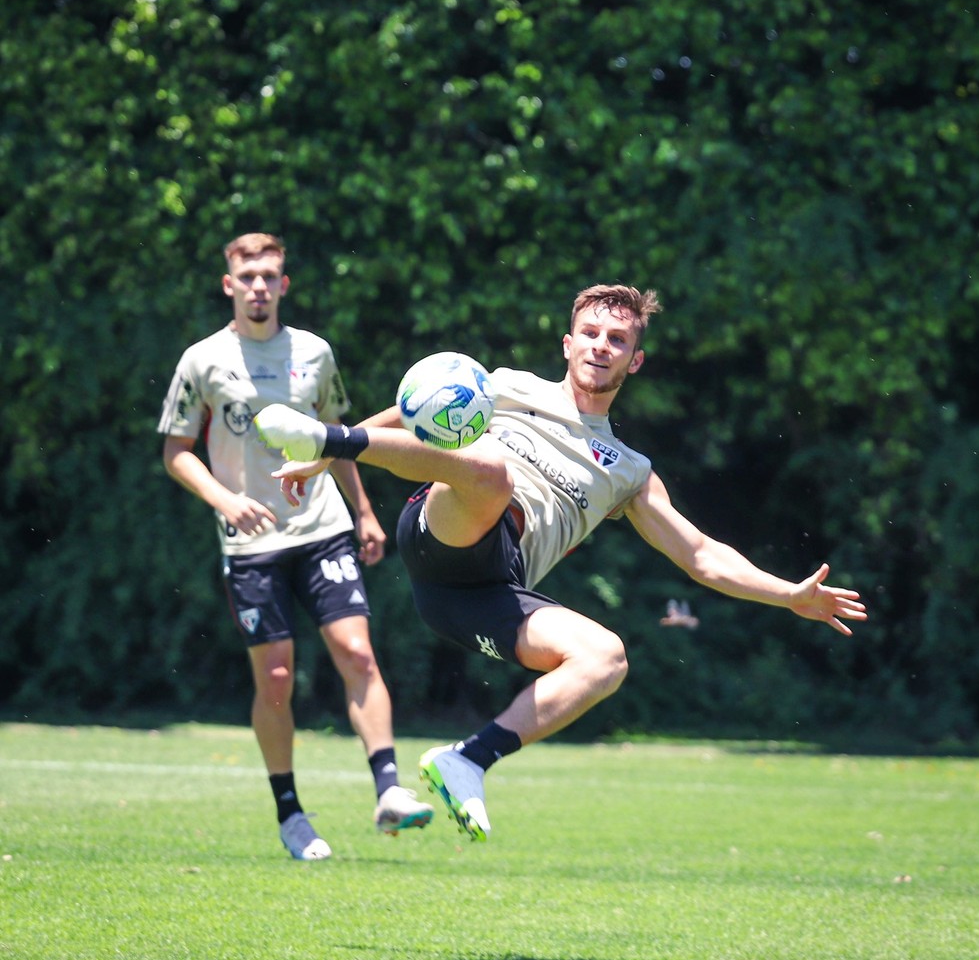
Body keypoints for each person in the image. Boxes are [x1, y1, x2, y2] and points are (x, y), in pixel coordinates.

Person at [254, 283, 867, 843]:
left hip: (479, 595)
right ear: (569, 344)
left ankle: (467, 760)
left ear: (635, 360)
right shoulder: (505, 385)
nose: (603, 347)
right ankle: (323, 436)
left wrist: (787, 594)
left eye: (618, 340)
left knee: (607, 658)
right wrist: (331, 452)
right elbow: (415, 410)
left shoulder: (629, 470)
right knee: (490, 473)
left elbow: (701, 554)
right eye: (593, 335)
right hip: (438, 526)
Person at [157, 232, 432, 860]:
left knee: (356, 651)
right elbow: (176, 453)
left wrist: (364, 511)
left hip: (321, 528)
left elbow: (341, 437)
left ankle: (388, 790)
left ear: (285, 285)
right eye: (247, 275)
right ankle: (290, 814)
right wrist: (225, 501)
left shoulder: (314, 353)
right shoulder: (201, 361)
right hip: (249, 542)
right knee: (276, 677)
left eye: (269, 275)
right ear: (229, 284)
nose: (258, 286)